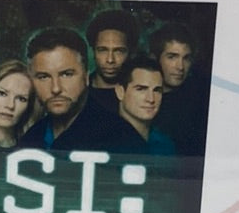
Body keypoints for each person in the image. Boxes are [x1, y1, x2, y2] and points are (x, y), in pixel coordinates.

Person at [20, 27, 143, 152]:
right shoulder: (31, 138)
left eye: (66, 74)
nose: (56, 88)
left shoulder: (121, 138)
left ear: (86, 77)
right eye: (44, 77)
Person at [149, 22, 210, 158]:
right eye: (172, 57)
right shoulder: (142, 97)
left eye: (186, 58)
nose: (180, 67)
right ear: (155, 58)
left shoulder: (198, 102)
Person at [115, 55, 175, 156]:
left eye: (157, 90)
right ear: (120, 92)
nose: (151, 99)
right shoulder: (102, 140)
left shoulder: (166, 145)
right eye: (141, 89)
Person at [85, 9, 139, 114]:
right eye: (103, 50)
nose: (110, 60)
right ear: (93, 51)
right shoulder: (80, 92)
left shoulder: (141, 95)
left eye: (119, 51)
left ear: (130, 52)